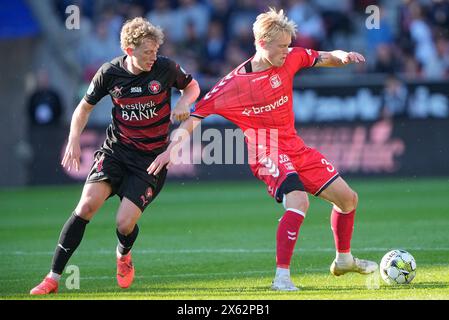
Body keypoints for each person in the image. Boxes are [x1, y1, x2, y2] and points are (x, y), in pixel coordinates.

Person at [148, 8, 378, 291]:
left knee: (348, 199)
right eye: (281, 46)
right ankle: (282, 278)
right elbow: (196, 117)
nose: (287, 51)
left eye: (288, 45)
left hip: (295, 146)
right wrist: (171, 149)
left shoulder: (290, 57)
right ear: (262, 43)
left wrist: (342, 56)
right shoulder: (232, 85)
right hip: (265, 148)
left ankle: (344, 259)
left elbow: (323, 57)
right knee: (298, 201)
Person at [30, 17, 200, 295]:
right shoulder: (109, 73)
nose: (153, 57)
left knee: (124, 222)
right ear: (129, 50)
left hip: (151, 160)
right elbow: (83, 108)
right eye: (147, 52)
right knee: (86, 206)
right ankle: (52, 278)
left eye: (155, 51)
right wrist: (73, 139)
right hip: (116, 152)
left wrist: (183, 100)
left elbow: (192, 87)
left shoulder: (165, 68)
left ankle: (123, 255)